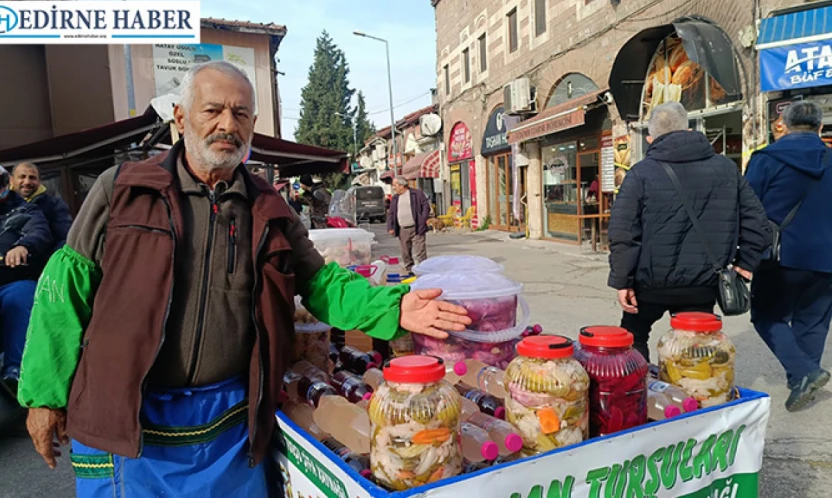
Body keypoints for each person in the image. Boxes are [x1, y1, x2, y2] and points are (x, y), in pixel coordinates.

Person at [17, 61, 470, 497]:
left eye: (239, 113)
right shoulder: (122, 190)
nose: (226, 124)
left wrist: (392, 306)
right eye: (212, 110)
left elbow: (319, 283)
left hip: (225, 424)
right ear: (181, 117)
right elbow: (64, 293)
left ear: (252, 124)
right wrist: (44, 397)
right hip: (127, 420)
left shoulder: (269, 208)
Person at [607, 102, 769, 361]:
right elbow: (758, 223)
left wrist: (622, 280)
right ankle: (696, 396)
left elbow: (623, 232)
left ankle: (641, 395)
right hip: (703, 283)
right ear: (689, 128)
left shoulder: (641, 173)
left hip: (649, 283)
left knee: (634, 336)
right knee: (696, 345)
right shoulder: (726, 168)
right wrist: (745, 263)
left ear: (650, 138)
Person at [746, 101, 832, 412]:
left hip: (780, 257)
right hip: (826, 258)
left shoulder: (766, 159)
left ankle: (804, 373)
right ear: (820, 128)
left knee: (767, 315)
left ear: (783, 124)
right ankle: (800, 378)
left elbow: (748, 207)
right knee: (813, 321)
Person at [0, 165, 52, 393]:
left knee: (21, 298)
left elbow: (39, 232)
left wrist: (23, 246)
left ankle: (15, 368)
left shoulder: (25, 210)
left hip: (12, 280)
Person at [11, 162, 73, 253]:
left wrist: (52, 262)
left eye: (32, 178)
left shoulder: (55, 205)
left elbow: (65, 238)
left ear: (39, 181)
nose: (27, 182)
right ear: (11, 180)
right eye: (22, 177)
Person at [387, 177, 431, 274]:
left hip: (417, 227)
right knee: (405, 252)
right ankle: (409, 270)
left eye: (395, 185)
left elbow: (426, 206)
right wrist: (390, 226)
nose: (394, 188)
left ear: (402, 185)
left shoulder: (417, 194)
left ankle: (424, 271)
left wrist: (422, 220)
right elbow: (391, 213)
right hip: (402, 229)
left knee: (420, 252)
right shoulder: (395, 198)